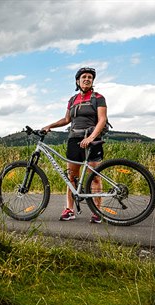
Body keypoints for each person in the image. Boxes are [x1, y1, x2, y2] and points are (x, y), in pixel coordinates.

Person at [42, 67, 107, 223]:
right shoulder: (72, 100)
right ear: (78, 81)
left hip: (92, 140)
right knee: (72, 176)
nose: (87, 79)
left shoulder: (98, 97)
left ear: (92, 81)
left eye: (90, 77)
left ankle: (97, 211)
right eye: (84, 77)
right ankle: (69, 210)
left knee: (95, 177)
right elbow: (66, 120)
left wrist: (91, 137)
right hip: (74, 139)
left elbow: (102, 120)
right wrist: (49, 126)